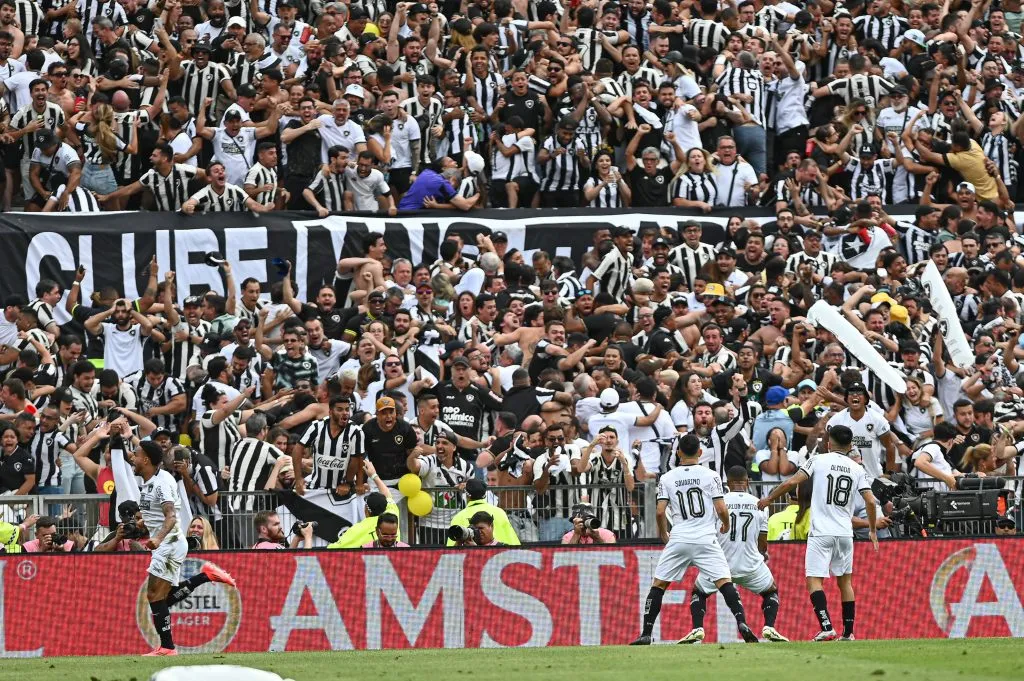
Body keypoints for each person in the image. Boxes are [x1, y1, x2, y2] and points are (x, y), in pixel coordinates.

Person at [630, 433, 759, 645]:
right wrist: (726, 524)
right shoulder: (711, 476)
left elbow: (660, 511)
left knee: (659, 585)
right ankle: (742, 623)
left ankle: (646, 633)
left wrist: (663, 533)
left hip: (679, 537)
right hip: (705, 539)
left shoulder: (667, 478)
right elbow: (721, 508)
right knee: (724, 582)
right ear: (700, 452)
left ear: (678, 452)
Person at [757, 425, 878, 642]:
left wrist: (769, 499)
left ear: (829, 444)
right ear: (851, 446)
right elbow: (870, 500)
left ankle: (827, 627)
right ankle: (848, 633)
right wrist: (872, 529)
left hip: (821, 532)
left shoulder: (818, 460)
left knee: (814, 579)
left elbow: (792, 482)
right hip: (845, 533)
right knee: (845, 583)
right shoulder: (857, 468)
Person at [131, 440, 235, 656]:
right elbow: (158, 514)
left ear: (146, 460)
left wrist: (158, 538)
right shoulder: (151, 481)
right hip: (167, 543)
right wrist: (143, 524)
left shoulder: (161, 483)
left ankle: (167, 647)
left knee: (154, 595)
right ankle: (205, 576)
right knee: (161, 598)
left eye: (136, 455)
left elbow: (170, 516)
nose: (133, 458)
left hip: (168, 544)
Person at [680, 466, 788, 644]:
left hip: (719, 564)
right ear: (747, 482)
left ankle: (697, 628)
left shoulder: (718, 503)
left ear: (727, 484)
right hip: (750, 564)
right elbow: (762, 542)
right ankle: (769, 626)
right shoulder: (759, 504)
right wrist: (763, 553)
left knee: (698, 593)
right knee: (771, 591)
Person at [447, 478, 520, 546]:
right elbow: (513, 541)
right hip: (502, 553)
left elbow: (451, 548)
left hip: (473, 554)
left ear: (467, 495)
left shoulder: (459, 517)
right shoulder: (500, 512)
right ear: (484, 495)